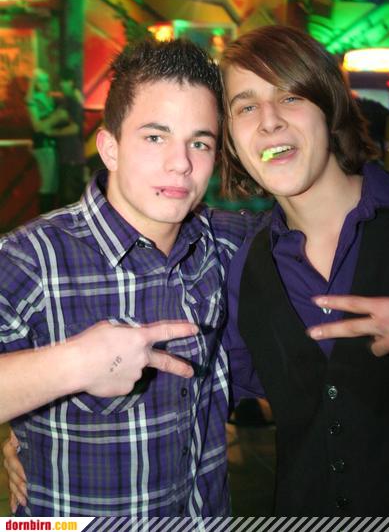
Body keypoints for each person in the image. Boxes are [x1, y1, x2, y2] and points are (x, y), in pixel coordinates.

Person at [0, 37, 254, 517]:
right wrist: (72, 365)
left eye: (199, 143)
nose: (181, 163)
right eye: (155, 137)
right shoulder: (32, 259)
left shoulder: (222, 243)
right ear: (110, 148)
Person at [220, 25, 389, 515]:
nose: (269, 122)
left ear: (329, 108)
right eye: (246, 106)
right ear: (232, 142)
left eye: (290, 97)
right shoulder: (244, 270)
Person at [26, 69, 68, 213]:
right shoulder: (33, 98)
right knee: (48, 184)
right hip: (43, 144)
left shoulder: (48, 97)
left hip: (50, 143)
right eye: (41, 81)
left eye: (46, 80)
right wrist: (56, 117)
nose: (45, 83)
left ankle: (48, 219)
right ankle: (44, 220)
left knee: (53, 185)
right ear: (35, 83)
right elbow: (37, 127)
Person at [55, 70, 87, 206]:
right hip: (72, 153)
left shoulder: (72, 101)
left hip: (71, 153)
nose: (61, 84)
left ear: (71, 82)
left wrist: (52, 132)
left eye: (64, 81)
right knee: (71, 193)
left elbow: (75, 128)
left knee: (69, 194)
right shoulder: (75, 100)